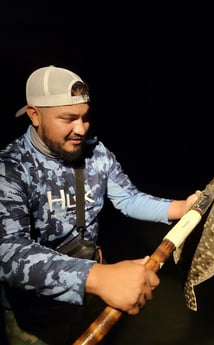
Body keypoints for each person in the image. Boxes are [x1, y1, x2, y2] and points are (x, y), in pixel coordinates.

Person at [0, 65, 198, 345]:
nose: (81, 129)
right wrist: (99, 278)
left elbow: (129, 198)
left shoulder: (96, 153)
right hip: (33, 312)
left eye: (85, 117)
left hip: (90, 293)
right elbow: (8, 251)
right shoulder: (9, 168)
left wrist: (183, 207)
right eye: (68, 119)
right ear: (34, 115)